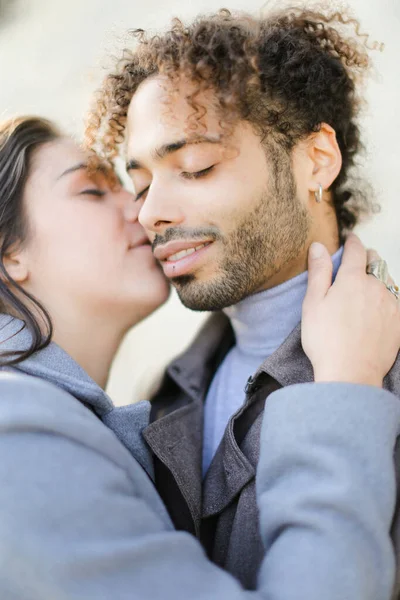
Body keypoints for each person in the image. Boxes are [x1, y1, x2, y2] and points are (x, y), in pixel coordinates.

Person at [0, 115, 399, 600]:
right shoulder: (16, 430)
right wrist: (346, 387)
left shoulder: (126, 408)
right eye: (92, 191)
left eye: (195, 168)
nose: (144, 209)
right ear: (8, 252)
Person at [86, 5, 400, 593]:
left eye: (197, 167)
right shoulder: (163, 393)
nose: (151, 213)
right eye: (142, 184)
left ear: (317, 160)